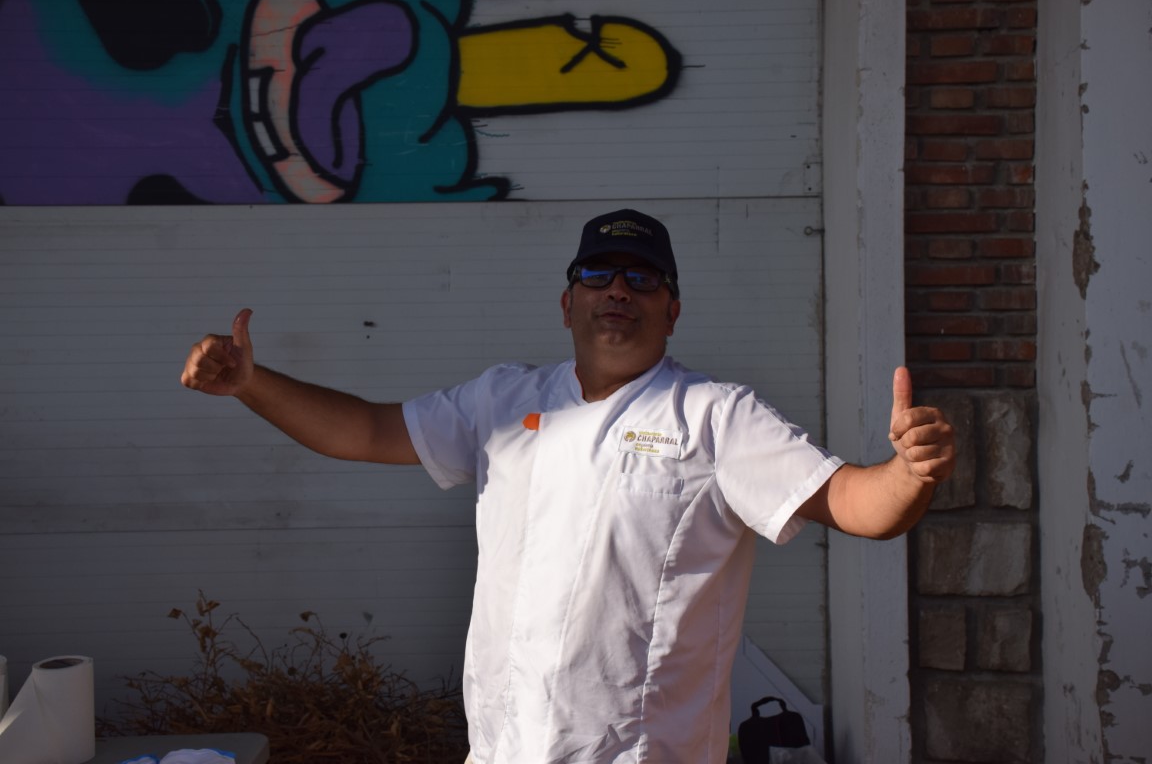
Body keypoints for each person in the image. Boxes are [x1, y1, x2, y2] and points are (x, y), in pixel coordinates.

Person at [181, 208, 955, 764]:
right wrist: (252, 383)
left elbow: (854, 504)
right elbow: (363, 430)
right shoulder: (502, 400)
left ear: (672, 310)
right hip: (503, 748)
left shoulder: (715, 416)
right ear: (567, 302)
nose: (618, 289)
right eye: (597, 274)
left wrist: (908, 473)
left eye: (642, 278)